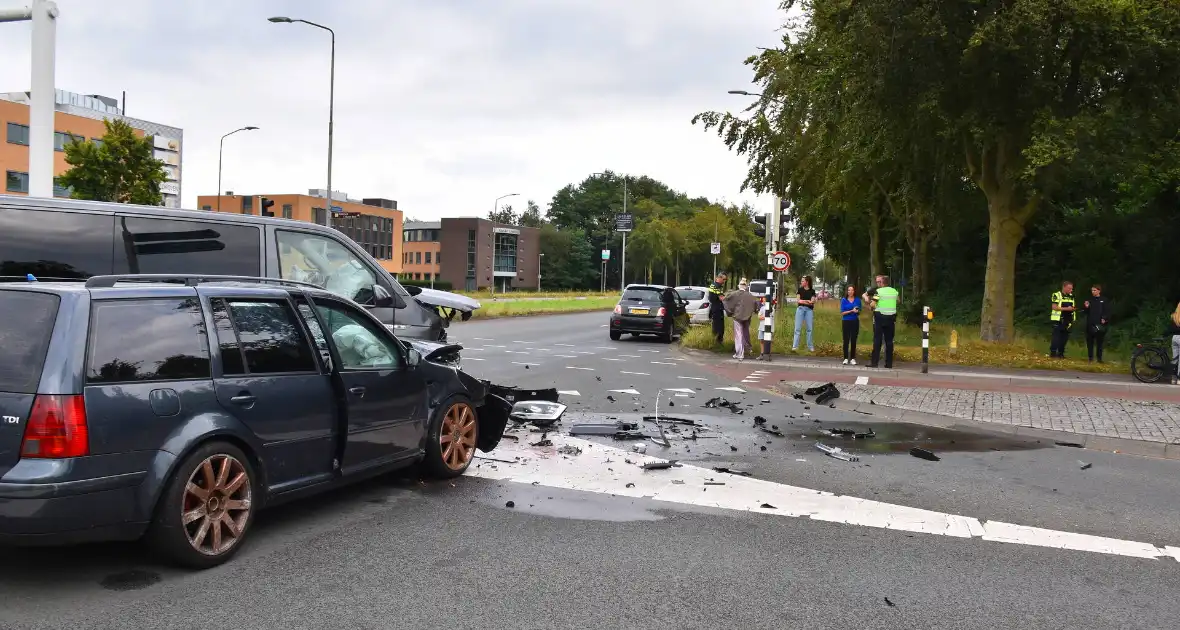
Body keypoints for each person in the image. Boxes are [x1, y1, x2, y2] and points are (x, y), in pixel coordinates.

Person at [723, 278, 761, 361]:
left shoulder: (734, 294)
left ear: (739, 286)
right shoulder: (751, 296)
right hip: (747, 317)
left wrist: (730, 312)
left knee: (738, 335)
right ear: (746, 286)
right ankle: (748, 349)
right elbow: (757, 305)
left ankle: (740, 354)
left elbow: (725, 300)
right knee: (745, 334)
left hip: (737, 317)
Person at [866, 275, 899, 368]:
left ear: (882, 282)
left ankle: (874, 362)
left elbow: (873, 304)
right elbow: (898, 300)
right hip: (891, 318)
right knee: (889, 341)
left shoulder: (879, 291)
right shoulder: (894, 291)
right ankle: (889, 363)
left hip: (880, 317)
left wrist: (869, 304)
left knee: (877, 340)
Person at [1081, 284, 1110, 363]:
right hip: (1090, 323)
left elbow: (1107, 311)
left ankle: (1099, 358)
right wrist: (1086, 307)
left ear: (1099, 291)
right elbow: (1085, 312)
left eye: (1094, 290)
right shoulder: (1089, 300)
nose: (1093, 292)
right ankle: (1090, 358)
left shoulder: (1104, 300)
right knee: (1090, 341)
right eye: (1092, 290)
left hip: (1100, 324)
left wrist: (1104, 318)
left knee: (1099, 342)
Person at [1049, 281, 1077, 358]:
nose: (1071, 290)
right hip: (1058, 319)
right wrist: (1067, 309)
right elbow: (1054, 307)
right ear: (1064, 287)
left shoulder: (1071, 296)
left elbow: (1072, 307)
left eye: (1072, 288)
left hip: (1068, 320)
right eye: (1069, 288)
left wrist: (1073, 310)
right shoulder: (1056, 295)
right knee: (1056, 337)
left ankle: (1061, 353)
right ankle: (1053, 353)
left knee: (1065, 337)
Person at [792, 275, 817, 352]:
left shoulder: (812, 291)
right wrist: (807, 301)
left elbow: (812, 302)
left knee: (809, 329)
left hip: (809, 310)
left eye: (803, 281)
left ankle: (810, 346)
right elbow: (798, 301)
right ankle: (795, 346)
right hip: (800, 309)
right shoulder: (799, 290)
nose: (801, 282)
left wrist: (807, 301)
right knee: (797, 328)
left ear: (807, 282)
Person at [839, 284, 862, 365]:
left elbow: (859, 311)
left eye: (852, 290)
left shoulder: (857, 300)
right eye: (849, 290)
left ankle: (852, 358)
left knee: (853, 340)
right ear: (847, 291)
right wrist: (851, 311)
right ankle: (845, 358)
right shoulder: (844, 300)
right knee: (846, 340)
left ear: (854, 291)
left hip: (855, 321)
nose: (850, 292)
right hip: (846, 321)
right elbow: (842, 313)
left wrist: (857, 311)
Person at [707, 272, 728, 345]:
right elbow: (721, 298)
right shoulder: (716, 286)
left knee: (717, 326)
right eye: (724, 279)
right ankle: (717, 343)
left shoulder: (714, 285)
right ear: (719, 278)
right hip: (717, 308)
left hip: (716, 308)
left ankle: (716, 341)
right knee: (719, 327)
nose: (724, 281)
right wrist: (730, 297)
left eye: (725, 279)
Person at [1169, 300, 1180, 386]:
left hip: (1174, 338)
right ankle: (1179, 379)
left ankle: (1173, 379)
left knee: (1175, 359)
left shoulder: (1174, 316)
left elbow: (1171, 329)